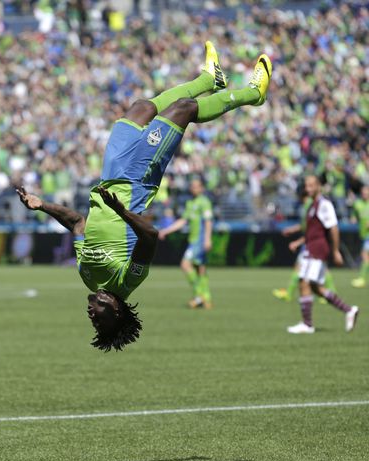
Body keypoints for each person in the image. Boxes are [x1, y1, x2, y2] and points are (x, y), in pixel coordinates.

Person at [17, 42, 272, 351]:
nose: (91, 315)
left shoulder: (87, 276)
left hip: (110, 173)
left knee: (140, 108)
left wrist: (41, 205)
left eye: (92, 320)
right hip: (137, 180)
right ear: (116, 312)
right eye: (98, 320)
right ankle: (253, 94)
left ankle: (209, 80)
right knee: (183, 109)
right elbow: (150, 236)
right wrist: (122, 211)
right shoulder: (126, 281)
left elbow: (77, 224)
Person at [287, 175, 359, 334]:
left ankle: (307, 324)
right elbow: (312, 231)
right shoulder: (313, 205)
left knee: (304, 282)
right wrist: (298, 242)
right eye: (307, 186)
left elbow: (333, 227)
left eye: (312, 185)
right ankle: (349, 310)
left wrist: (335, 250)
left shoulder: (324, 204)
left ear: (319, 186)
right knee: (316, 287)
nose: (308, 188)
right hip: (311, 246)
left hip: (317, 249)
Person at [158, 178, 213, 309]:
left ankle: (199, 296)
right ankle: (206, 298)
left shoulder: (204, 202)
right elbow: (183, 221)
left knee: (185, 264)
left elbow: (208, 222)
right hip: (193, 240)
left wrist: (207, 239)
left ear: (201, 188)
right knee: (200, 269)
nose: (193, 188)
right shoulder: (190, 203)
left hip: (199, 240)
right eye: (192, 186)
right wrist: (166, 230)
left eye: (196, 186)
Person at [273, 190, 336, 303]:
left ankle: (329, 294)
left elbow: (312, 230)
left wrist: (297, 242)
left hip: (314, 244)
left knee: (308, 269)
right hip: (312, 243)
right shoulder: (310, 207)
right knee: (315, 269)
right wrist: (292, 230)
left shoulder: (311, 207)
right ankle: (330, 293)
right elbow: (305, 226)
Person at [351, 185, 369, 288]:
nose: (365, 194)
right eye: (363, 192)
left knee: (365, 255)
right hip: (363, 234)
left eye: (367, 192)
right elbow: (354, 214)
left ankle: (362, 278)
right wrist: (353, 218)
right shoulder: (357, 204)